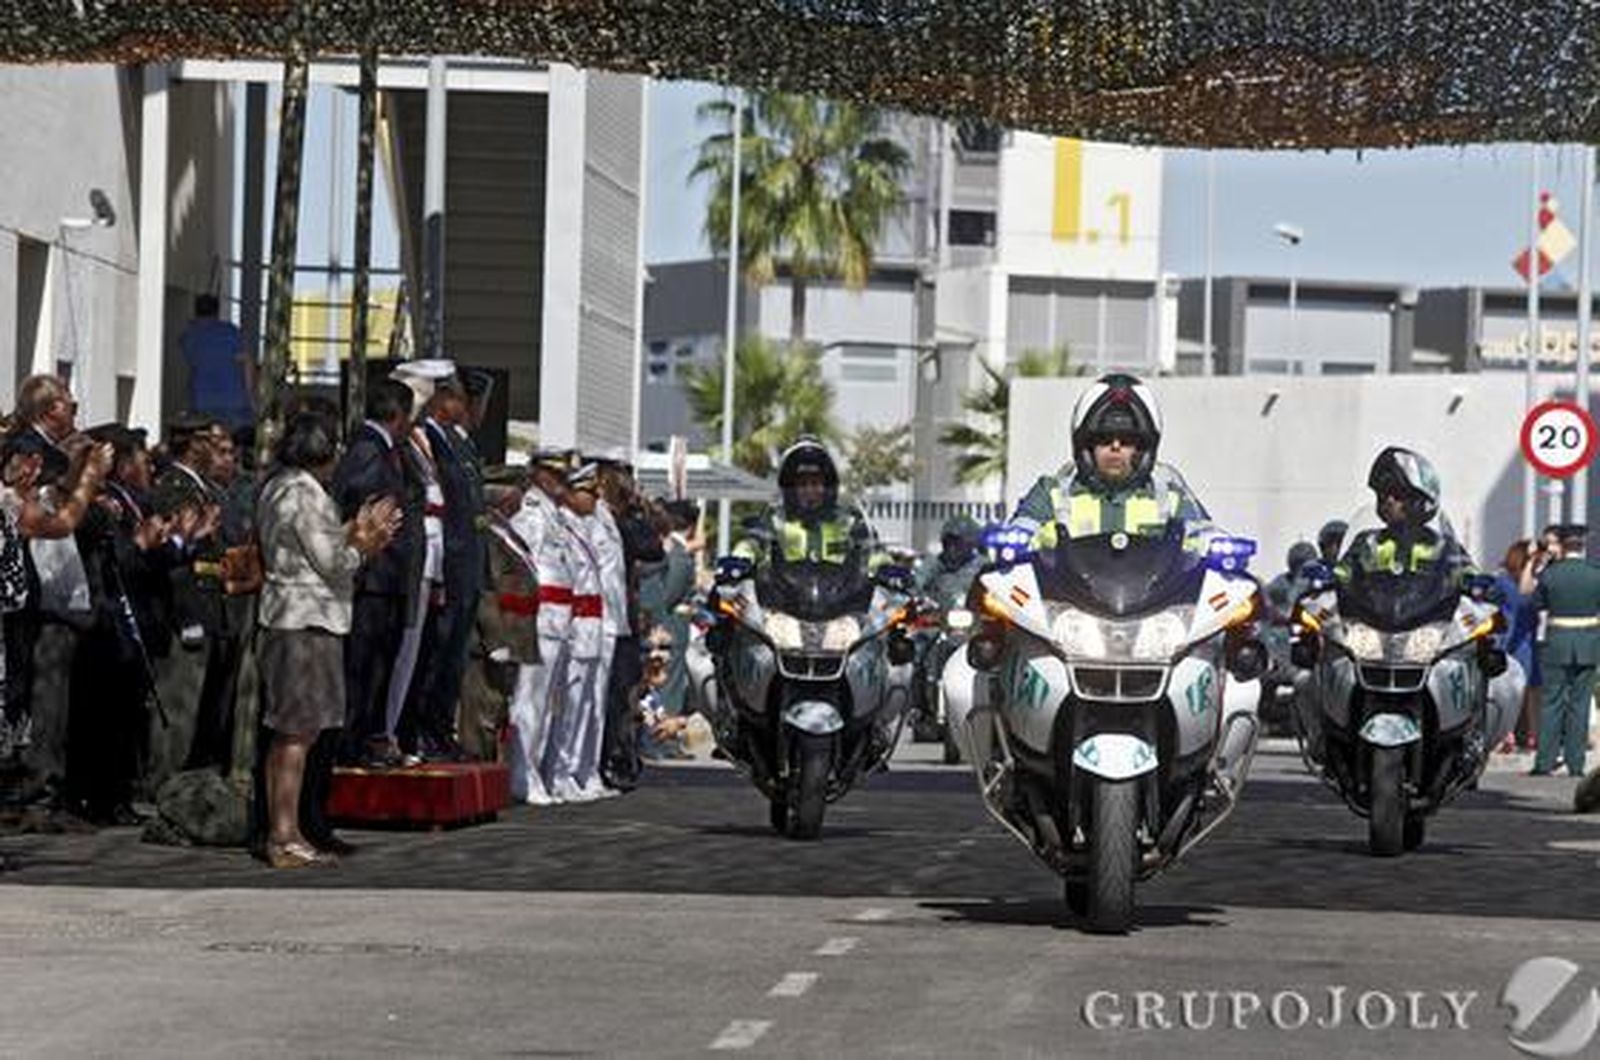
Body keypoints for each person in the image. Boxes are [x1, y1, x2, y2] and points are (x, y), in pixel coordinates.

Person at [255, 411, 398, 868]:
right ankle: (283, 833)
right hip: (306, 621)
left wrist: (351, 534)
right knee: (297, 732)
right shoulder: (304, 493)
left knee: (292, 732)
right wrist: (367, 543)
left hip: (292, 617)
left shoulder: (279, 485)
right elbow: (332, 562)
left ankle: (286, 829)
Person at [63, 424, 186, 824]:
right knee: (101, 715)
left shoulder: (129, 500)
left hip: (134, 620)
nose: (142, 462)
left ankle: (117, 793)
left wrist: (174, 542)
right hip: (107, 616)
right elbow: (116, 560)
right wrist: (139, 545)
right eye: (132, 455)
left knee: (127, 715)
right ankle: (95, 796)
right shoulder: (97, 503)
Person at [1007, 373, 1209, 551]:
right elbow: (1023, 527)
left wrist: (1213, 540)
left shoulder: (1170, 498)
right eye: (1104, 439)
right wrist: (1013, 538)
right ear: (1086, 447)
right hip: (1061, 594)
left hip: (1161, 595)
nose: (1115, 447)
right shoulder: (1052, 494)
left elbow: (1202, 533)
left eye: (1127, 440)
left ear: (1143, 450)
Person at [331, 378, 423, 768]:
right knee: (362, 668)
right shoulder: (370, 449)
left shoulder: (386, 450)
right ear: (398, 415)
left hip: (386, 579)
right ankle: (350, 744)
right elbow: (364, 503)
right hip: (373, 579)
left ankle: (363, 739)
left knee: (378, 667)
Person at [150, 415, 229, 777]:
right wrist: (187, 615)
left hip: (212, 599)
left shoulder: (202, 486)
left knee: (205, 699)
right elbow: (177, 555)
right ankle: (166, 775)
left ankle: (190, 773)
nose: (213, 449)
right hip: (190, 600)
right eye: (207, 441)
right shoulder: (173, 485)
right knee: (181, 697)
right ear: (192, 445)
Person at [507, 448, 576, 805]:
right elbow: (524, 565)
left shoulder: (554, 514)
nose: (563, 484)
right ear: (541, 475)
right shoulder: (532, 511)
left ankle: (533, 771)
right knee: (529, 699)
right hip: (542, 615)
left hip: (558, 617)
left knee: (547, 701)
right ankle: (522, 773)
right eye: (558, 476)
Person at [458, 465, 537, 762]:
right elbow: (486, 587)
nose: (523, 500)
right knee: (481, 716)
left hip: (514, 636)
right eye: (520, 492)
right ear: (506, 496)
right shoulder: (486, 531)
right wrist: (496, 639)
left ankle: (489, 782)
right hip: (491, 642)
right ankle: (478, 784)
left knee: (497, 713)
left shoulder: (506, 530)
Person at [544, 460, 611, 802]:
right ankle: (556, 771)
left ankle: (568, 771)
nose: (595, 497)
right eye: (588, 491)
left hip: (590, 626)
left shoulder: (583, 527)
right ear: (571, 494)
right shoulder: (563, 526)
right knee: (564, 706)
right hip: (572, 624)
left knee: (582, 706)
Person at [732, 437, 882, 571]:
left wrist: (884, 566)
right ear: (792, 488)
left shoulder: (848, 520)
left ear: (827, 486)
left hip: (844, 600)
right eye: (802, 484)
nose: (809, 490)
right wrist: (741, 557)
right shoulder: (776, 519)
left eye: (815, 483)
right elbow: (753, 541)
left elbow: (873, 548)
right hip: (780, 600)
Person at [1334, 447, 1474, 584]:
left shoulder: (1442, 547)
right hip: (1372, 607)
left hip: (1432, 607)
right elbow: (1343, 571)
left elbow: (1468, 571)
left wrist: (1477, 580)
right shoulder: (1368, 543)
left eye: (1397, 493)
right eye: (1383, 494)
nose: (1389, 500)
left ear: (1421, 498)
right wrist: (1329, 575)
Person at [1530, 523, 1600, 777]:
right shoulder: (1595, 574)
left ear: (1564, 544)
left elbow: (1535, 604)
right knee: (1580, 705)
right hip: (1588, 644)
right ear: (1582, 545)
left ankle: (1545, 763)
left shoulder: (1550, 574)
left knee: (1551, 704)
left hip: (1557, 642)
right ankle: (1576, 764)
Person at [179, 293, 254, 431]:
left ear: (196, 310)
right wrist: (249, 393)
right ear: (217, 311)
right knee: (236, 443)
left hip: (201, 400)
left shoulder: (190, 335)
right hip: (234, 400)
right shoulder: (231, 331)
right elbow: (247, 361)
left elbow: (191, 361)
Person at [915, 514, 986, 609]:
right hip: (937, 616)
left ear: (971, 544)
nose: (952, 548)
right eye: (948, 543)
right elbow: (917, 584)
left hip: (976, 616)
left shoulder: (983, 566)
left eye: (958, 544)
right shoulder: (933, 564)